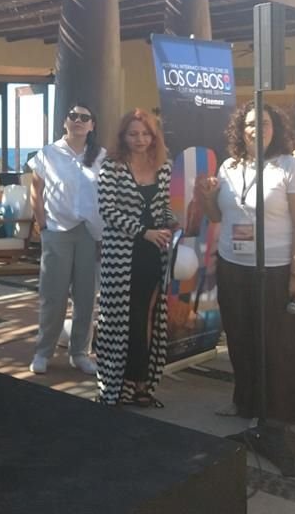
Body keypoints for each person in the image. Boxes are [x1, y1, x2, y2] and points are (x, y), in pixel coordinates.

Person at [198, 103, 295, 423]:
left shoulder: (290, 166)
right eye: (250, 123)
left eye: (264, 123)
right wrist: (207, 196)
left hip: (276, 270)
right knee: (239, 337)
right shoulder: (229, 167)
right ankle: (245, 402)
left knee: (279, 343)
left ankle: (281, 412)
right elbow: (217, 217)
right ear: (240, 129)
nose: (257, 129)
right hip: (233, 265)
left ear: (274, 129)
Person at [96, 109, 173, 407]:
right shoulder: (111, 167)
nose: (140, 139)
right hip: (121, 255)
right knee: (122, 321)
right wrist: (144, 232)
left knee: (148, 319)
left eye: (145, 133)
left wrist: (171, 226)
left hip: (155, 254)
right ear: (123, 136)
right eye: (134, 133)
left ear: (154, 137)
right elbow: (108, 211)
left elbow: (164, 207)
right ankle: (119, 385)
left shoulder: (163, 167)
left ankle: (142, 384)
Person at [28, 103, 106, 376]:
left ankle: (80, 353)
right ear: (65, 122)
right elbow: (36, 190)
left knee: (86, 296)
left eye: (85, 117)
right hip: (57, 231)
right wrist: (42, 224)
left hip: (90, 232)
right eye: (73, 116)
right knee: (53, 296)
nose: (78, 120)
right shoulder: (49, 153)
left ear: (92, 125)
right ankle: (43, 352)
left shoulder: (101, 156)